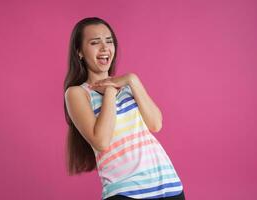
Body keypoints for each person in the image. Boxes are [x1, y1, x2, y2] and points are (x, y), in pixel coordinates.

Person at [63, 17, 186, 200]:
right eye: (95, 42)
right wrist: (111, 91)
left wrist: (133, 80)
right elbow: (101, 141)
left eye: (109, 41)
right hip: (125, 192)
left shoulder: (127, 85)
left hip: (169, 186)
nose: (105, 48)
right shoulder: (77, 93)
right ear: (79, 51)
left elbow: (155, 124)